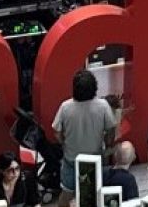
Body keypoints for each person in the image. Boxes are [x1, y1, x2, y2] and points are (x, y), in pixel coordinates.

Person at [53, 71, 116, 207]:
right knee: (93, 195)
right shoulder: (103, 105)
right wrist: (108, 144)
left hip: (71, 158)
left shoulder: (65, 107)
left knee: (66, 193)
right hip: (94, 159)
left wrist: (64, 143)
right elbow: (111, 129)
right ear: (94, 87)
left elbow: (56, 132)